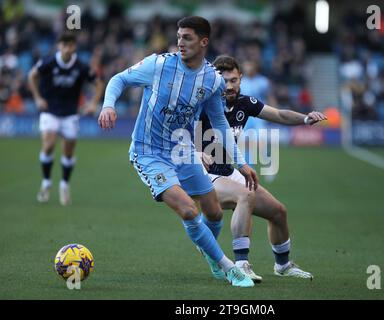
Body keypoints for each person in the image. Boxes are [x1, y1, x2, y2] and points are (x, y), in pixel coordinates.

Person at [98, 16, 258, 287]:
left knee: (215, 213)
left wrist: (240, 163)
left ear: (204, 42)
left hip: (182, 151)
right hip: (148, 152)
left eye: (187, 38)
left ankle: (209, 251)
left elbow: (219, 122)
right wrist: (108, 105)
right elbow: (118, 79)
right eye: (179, 36)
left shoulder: (212, 81)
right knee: (188, 210)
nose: (180, 42)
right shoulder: (158, 65)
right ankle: (228, 267)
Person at [198, 55, 327, 282]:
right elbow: (176, 131)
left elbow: (278, 114)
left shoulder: (244, 103)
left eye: (233, 80)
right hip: (203, 175)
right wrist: (195, 152)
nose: (229, 86)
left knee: (278, 212)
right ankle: (241, 264)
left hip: (228, 172)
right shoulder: (202, 103)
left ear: (240, 79)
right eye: (224, 81)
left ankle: (283, 265)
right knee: (245, 195)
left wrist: (306, 119)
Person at [28, 32, 104, 205]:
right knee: (48, 145)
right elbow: (32, 76)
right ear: (59, 46)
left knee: (68, 152)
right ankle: (46, 183)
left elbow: (99, 83)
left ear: (74, 47)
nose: (67, 48)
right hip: (50, 111)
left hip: (70, 113)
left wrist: (93, 103)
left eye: (70, 45)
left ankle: (64, 185)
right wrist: (38, 98)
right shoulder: (48, 62)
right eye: (64, 45)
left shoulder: (81, 66)